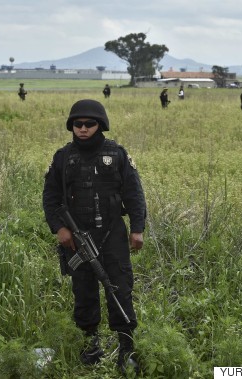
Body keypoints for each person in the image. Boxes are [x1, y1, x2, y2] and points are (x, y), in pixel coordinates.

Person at [43, 99, 146, 374]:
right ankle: (90, 344)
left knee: (119, 289)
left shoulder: (118, 154)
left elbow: (134, 194)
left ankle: (126, 349)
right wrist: (60, 229)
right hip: (77, 237)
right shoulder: (63, 158)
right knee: (84, 291)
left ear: (100, 125)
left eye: (89, 124)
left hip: (112, 233)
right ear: (71, 126)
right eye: (78, 124)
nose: (83, 129)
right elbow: (50, 197)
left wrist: (137, 228)